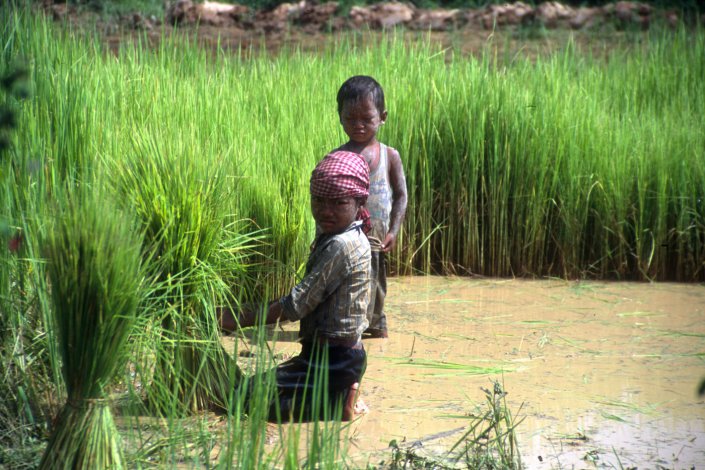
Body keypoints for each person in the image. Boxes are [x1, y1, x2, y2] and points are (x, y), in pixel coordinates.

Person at [220, 151, 372, 422]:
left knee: (246, 400)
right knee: (250, 391)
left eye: (338, 202)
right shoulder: (336, 231)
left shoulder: (341, 244)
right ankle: (342, 394)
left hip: (335, 360)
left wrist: (237, 318)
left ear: (359, 202)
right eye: (318, 200)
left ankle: (340, 402)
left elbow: (297, 304)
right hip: (320, 355)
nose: (325, 210)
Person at [330, 75, 408, 339]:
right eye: (350, 119)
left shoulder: (389, 155)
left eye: (367, 118)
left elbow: (401, 195)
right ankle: (350, 334)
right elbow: (327, 200)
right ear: (340, 117)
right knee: (347, 289)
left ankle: (377, 330)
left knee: (377, 287)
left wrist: (394, 231)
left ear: (382, 117)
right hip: (346, 243)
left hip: (375, 240)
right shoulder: (337, 158)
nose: (358, 125)